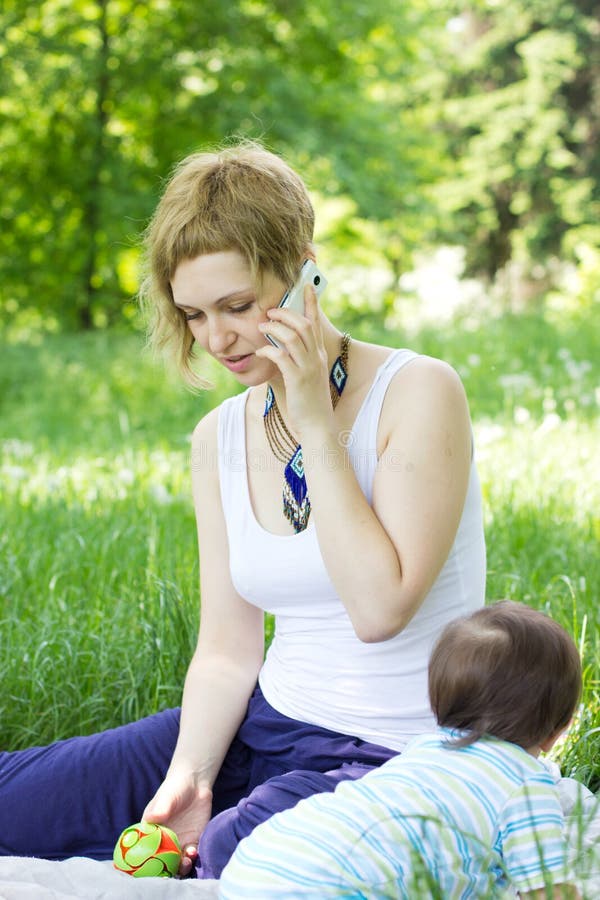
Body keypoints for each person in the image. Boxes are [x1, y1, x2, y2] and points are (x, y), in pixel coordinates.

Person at [0, 142, 486, 878]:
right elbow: (228, 650)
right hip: (266, 724)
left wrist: (315, 421)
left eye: (237, 306)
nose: (217, 339)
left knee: (240, 856)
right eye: (193, 314)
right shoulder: (219, 437)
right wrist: (191, 774)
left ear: (303, 271)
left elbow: (380, 608)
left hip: (390, 756)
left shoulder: (420, 392)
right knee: (17, 800)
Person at [219, 601, 582, 899]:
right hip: (333, 889)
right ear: (557, 731)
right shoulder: (529, 786)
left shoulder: (421, 751)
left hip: (259, 864)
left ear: (439, 705)